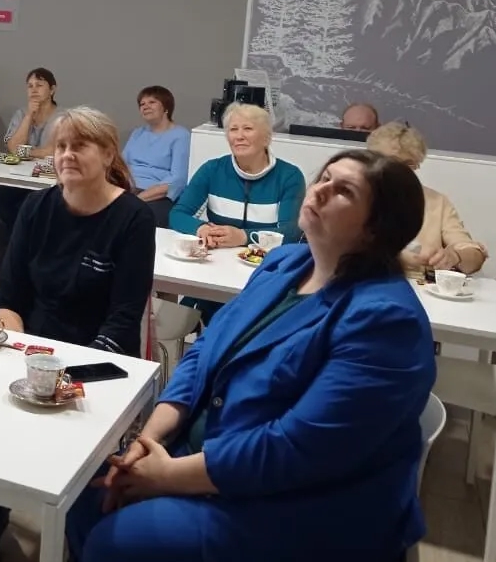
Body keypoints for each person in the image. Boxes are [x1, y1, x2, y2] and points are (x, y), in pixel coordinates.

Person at [67, 149, 436, 562]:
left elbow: (298, 449)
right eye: (325, 177)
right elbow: (204, 352)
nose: (319, 190)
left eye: (344, 191)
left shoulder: (386, 320)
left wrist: (168, 475)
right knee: (83, 497)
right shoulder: (285, 263)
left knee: (116, 540)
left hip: (302, 504)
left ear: (376, 229)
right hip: (210, 455)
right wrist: (149, 440)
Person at [0, 107, 156, 562]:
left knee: (76, 443)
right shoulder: (37, 207)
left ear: (107, 154)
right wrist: (19, 350)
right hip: (36, 347)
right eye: (62, 146)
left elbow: (124, 317)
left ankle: (77, 527)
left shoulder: (133, 219)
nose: (67, 155)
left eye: (80, 146)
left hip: (103, 358)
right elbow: (9, 297)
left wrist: (67, 377)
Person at [169, 102, 305, 247]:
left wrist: (244, 237)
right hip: (217, 255)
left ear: (267, 138)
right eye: (233, 129)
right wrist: (201, 228)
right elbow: (177, 215)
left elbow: (292, 232)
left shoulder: (290, 177)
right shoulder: (212, 170)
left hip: (266, 257)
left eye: (248, 128)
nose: (239, 136)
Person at [367, 121, 487, 275]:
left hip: (421, 286)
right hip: (368, 282)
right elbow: (345, 250)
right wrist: (397, 259)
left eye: (408, 165)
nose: (399, 171)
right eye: (391, 163)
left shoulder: (436, 202)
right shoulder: (357, 196)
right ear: (372, 161)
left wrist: (455, 257)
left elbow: (474, 257)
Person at [0, 68, 63, 234]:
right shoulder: (21, 114)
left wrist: (25, 152)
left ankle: (24, 239)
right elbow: (12, 148)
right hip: (19, 178)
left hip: (47, 180)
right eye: (30, 86)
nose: (34, 89)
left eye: (39, 85)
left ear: (52, 89)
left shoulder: (63, 117)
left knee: (33, 208)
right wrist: (29, 116)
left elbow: (54, 151)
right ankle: (20, 238)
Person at [122, 86, 190, 227]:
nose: (145, 106)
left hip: (157, 195)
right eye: (142, 104)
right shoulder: (137, 133)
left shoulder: (181, 135)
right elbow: (120, 165)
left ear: (166, 107)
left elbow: (177, 179)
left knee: (141, 219)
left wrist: (138, 199)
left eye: (152, 102)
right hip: (127, 189)